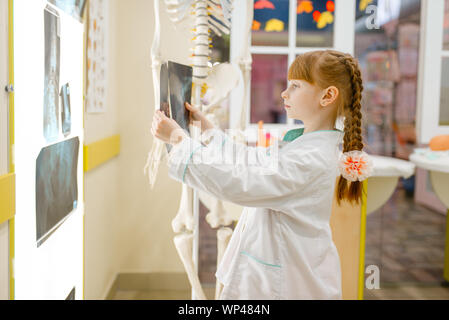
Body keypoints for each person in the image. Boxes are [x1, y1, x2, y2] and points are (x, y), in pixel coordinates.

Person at [151, 49, 373, 299]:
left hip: (286, 285)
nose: (284, 93)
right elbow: (251, 161)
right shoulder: (303, 146)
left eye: (296, 86)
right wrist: (208, 132)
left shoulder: (310, 159)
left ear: (327, 96)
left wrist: (179, 140)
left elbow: (242, 183)